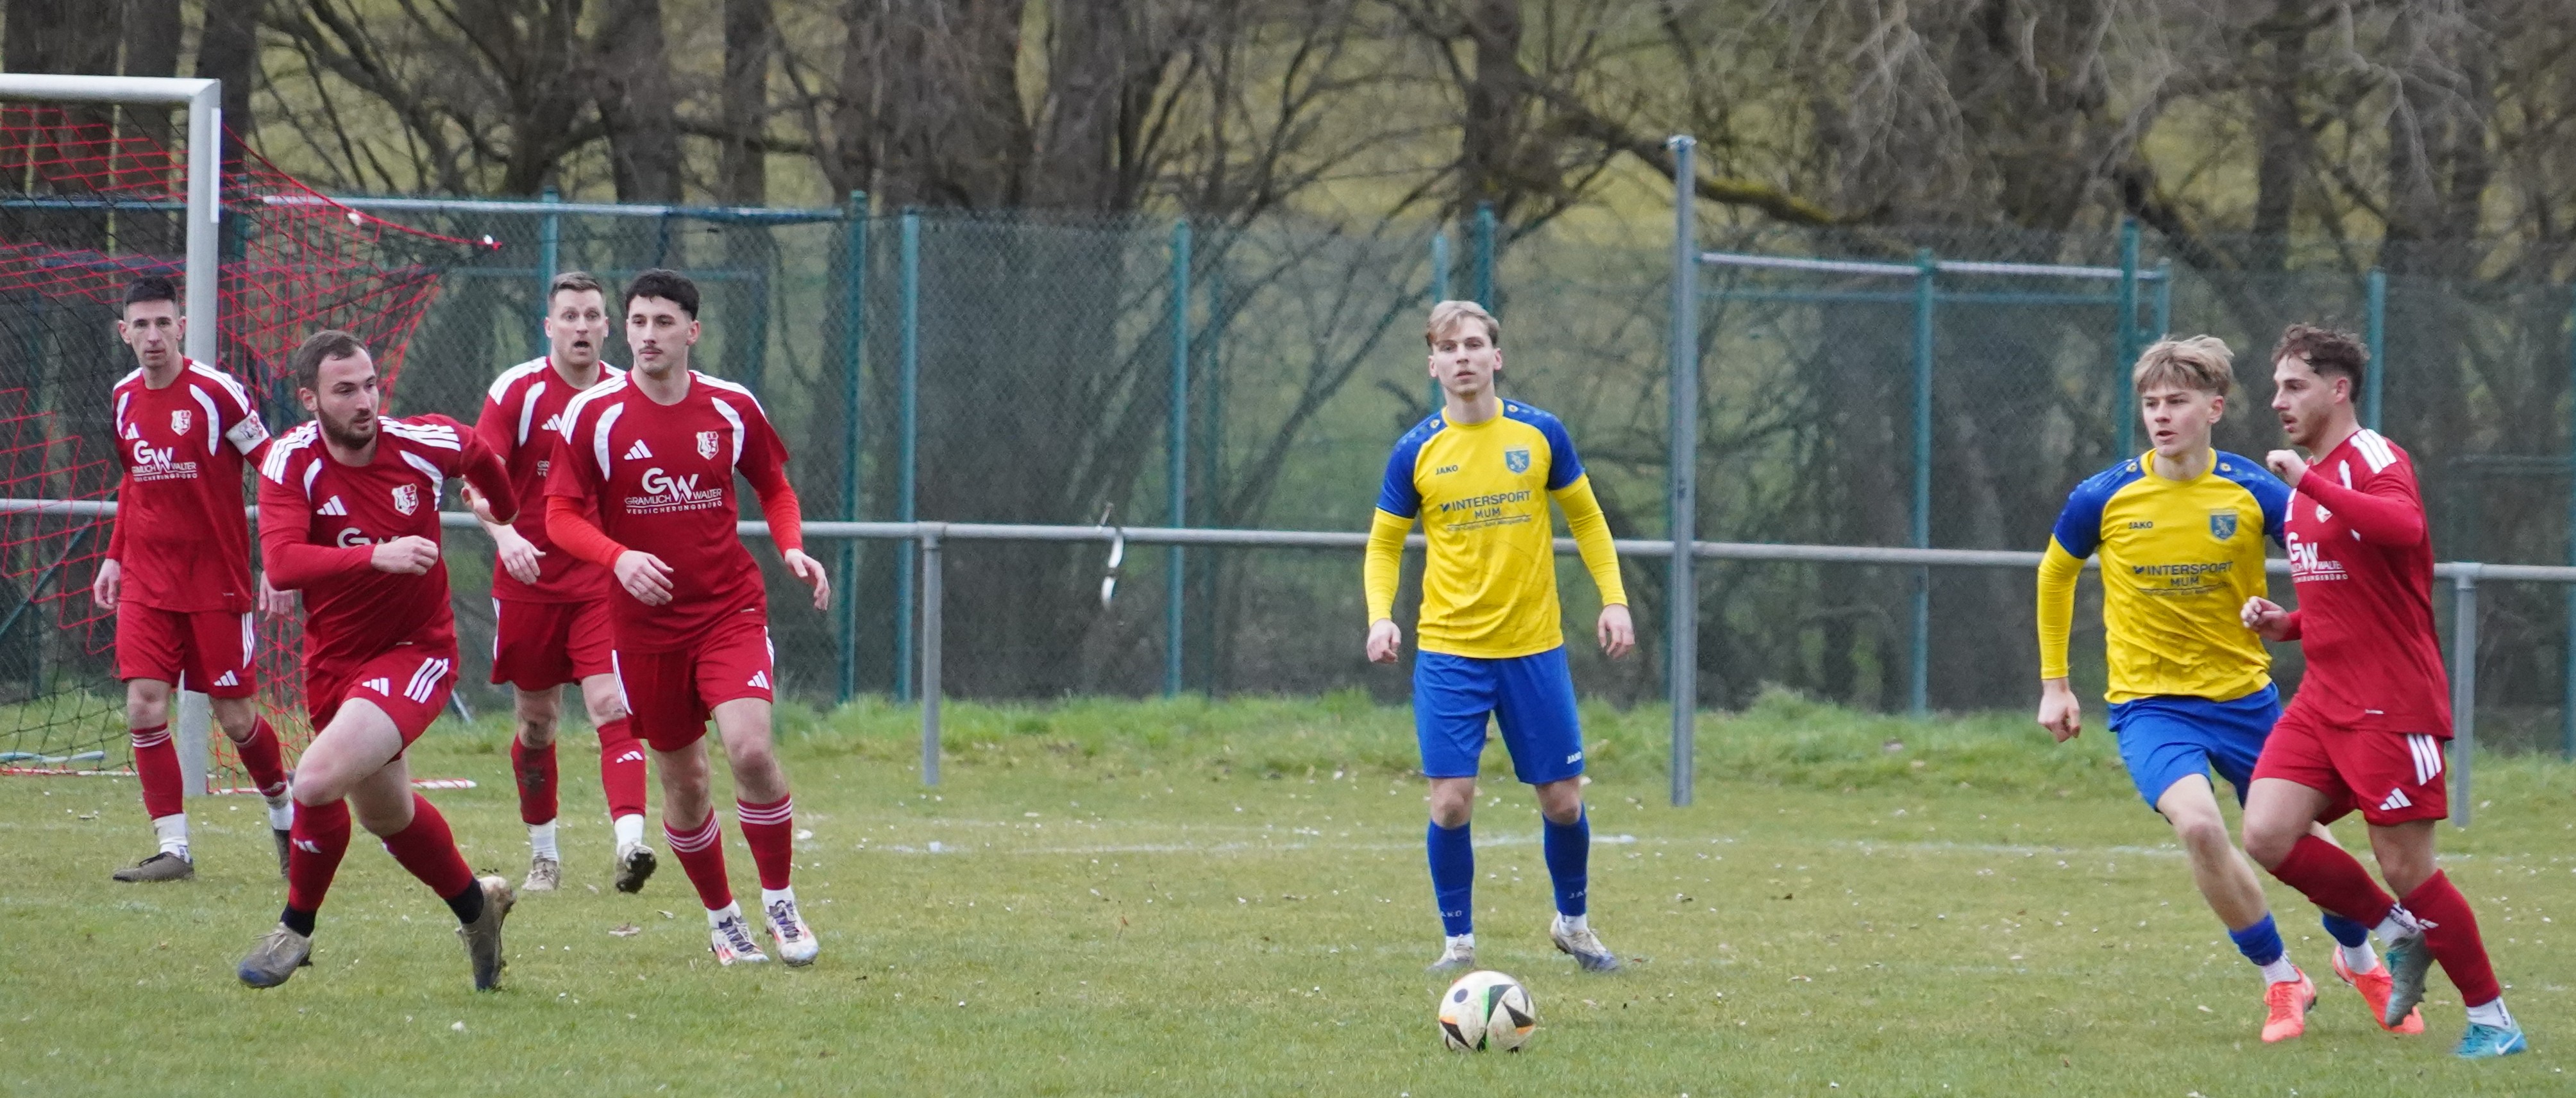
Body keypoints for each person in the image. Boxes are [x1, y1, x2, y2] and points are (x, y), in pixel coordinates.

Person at [2035, 336, 2386, 1043]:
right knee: (2199, 826)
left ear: (2215, 409)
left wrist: (2306, 629)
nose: (2161, 416)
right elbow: (2055, 575)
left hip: (2246, 700)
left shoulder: (2254, 489)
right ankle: (2281, 978)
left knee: (2301, 838)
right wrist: (2056, 685)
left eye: (2177, 402)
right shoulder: (2103, 495)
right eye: (2151, 403)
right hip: (2150, 705)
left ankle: (2358, 958)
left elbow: (2329, 562)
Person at [2239, 324, 2529, 1058]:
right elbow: (2351, 594)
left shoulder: (2371, 458)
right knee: (2267, 831)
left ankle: (2494, 1020)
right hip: (2323, 699)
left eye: (2294, 385)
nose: (2278, 401)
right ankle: (2399, 934)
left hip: (2390, 702)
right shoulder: (2310, 483)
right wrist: (2287, 623)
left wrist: (2308, 483)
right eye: (2276, 387)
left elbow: (2403, 528)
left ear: (2339, 389)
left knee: (2406, 865)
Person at [543, 269, 830, 967]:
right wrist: (617, 558)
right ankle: (723, 918)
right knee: (687, 781)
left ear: (692, 332)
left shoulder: (730, 406)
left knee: (751, 751)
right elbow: (559, 516)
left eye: (663, 322)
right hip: (643, 630)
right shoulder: (593, 416)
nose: (648, 336)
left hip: (729, 608)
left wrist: (792, 547)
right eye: (638, 322)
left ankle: (781, 902)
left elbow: (774, 486)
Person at [235, 330, 518, 991]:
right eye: (345, 390)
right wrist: (376, 554)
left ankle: (295, 930)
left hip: (417, 651)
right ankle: (478, 909)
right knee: (387, 815)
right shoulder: (290, 460)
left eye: (370, 385)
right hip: (335, 661)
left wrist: (502, 513)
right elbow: (283, 563)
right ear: (310, 399)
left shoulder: (421, 442)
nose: (365, 401)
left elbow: (481, 454)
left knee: (313, 780)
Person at [1363, 299, 1635, 974]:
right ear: (1432, 365)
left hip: (1533, 648)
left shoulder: (1540, 434)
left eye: (1473, 344)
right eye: (1448, 347)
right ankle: (1458, 945)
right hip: (1450, 650)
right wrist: (1380, 615)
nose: (1462, 356)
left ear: (1496, 356)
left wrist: (1614, 600)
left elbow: (1588, 520)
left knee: (1563, 802)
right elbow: (1384, 544)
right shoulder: (1416, 450)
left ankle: (1574, 925)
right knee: (1451, 802)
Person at [94, 274, 297, 883]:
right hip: (148, 581)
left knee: (236, 720)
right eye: (142, 325)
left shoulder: (218, 393)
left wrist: (279, 560)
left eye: (164, 323)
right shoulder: (123, 396)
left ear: (181, 327)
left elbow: (274, 470)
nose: (154, 336)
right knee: (143, 706)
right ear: (124, 332)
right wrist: (114, 555)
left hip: (217, 583)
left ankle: (285, 815)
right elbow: (133, 481)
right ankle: (174, 849)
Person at [473, 271, 653, 894]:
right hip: (528, 581)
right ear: (549, 326)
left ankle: (630, 844)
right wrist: (506, 537)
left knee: (612, 705)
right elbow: (478, 481)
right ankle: (544, 855)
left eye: (592, 315)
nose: (581, 326)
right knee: (538, 722)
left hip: (602, 581)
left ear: (608, 327)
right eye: (569, 316)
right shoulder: (517, 391)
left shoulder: (626, 394)